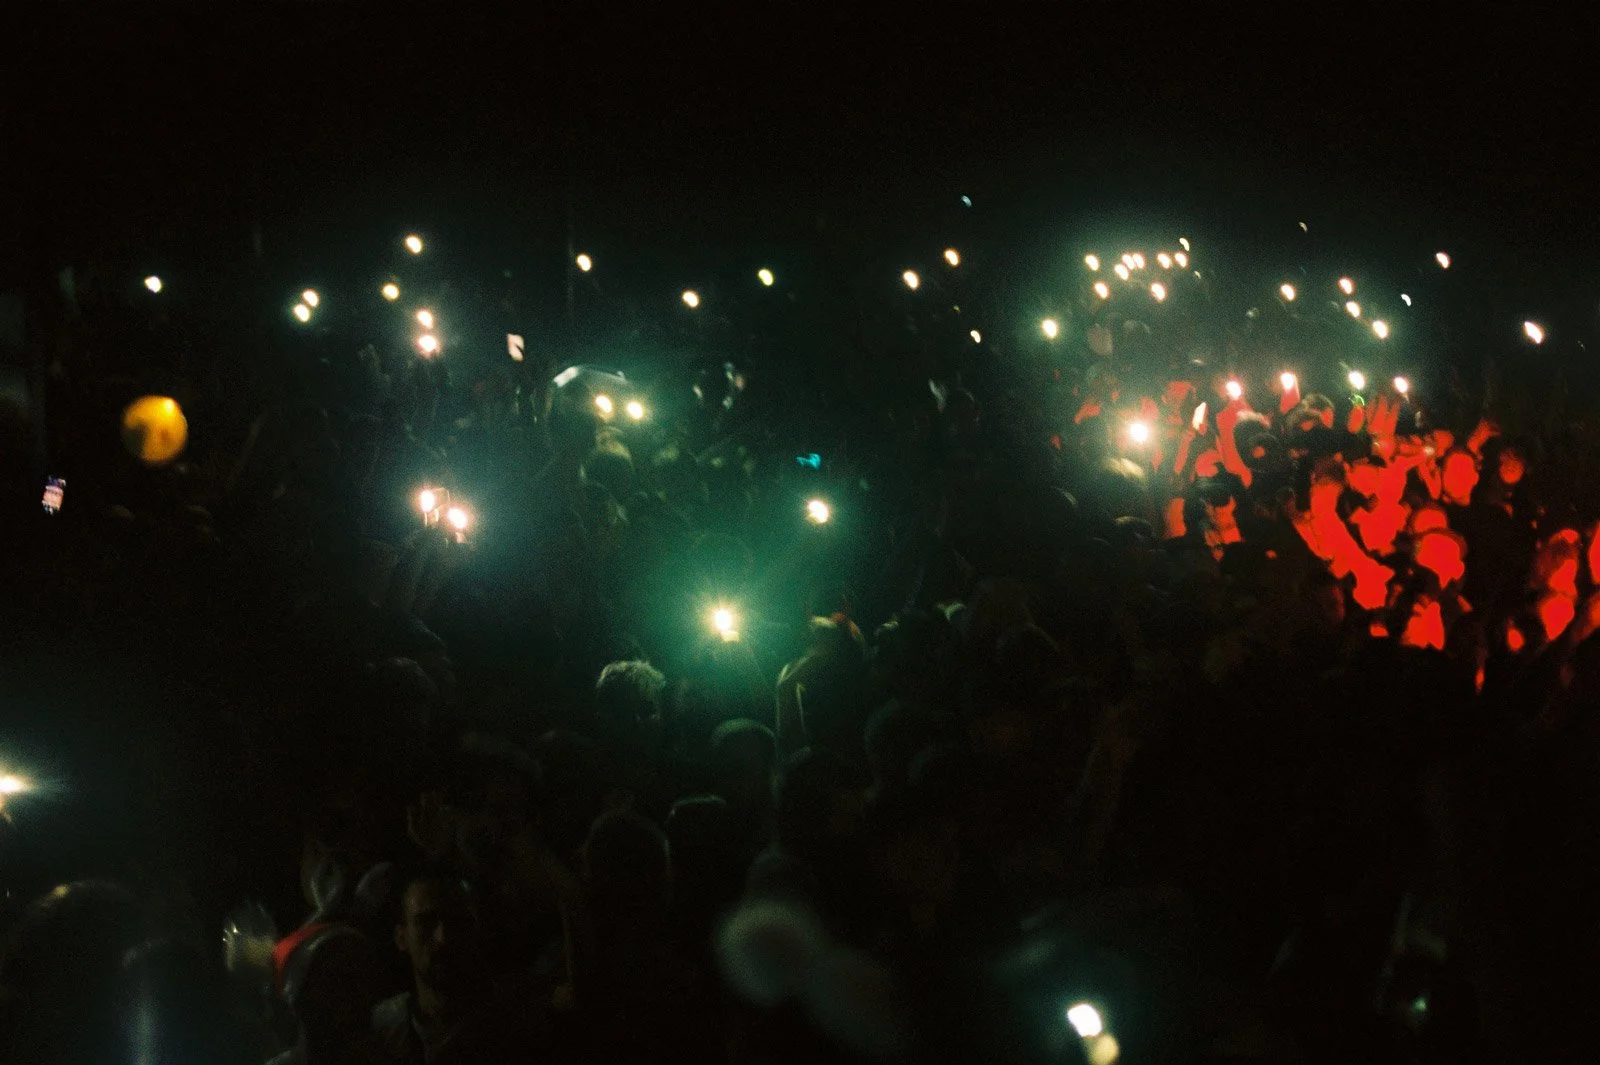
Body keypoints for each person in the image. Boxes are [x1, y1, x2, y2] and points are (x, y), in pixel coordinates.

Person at [373, 864, 545, 1065]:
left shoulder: (513, 1019)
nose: (442, 938)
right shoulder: (386, 1030)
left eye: (455, 920)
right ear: (401, 937)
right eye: (426, 923)